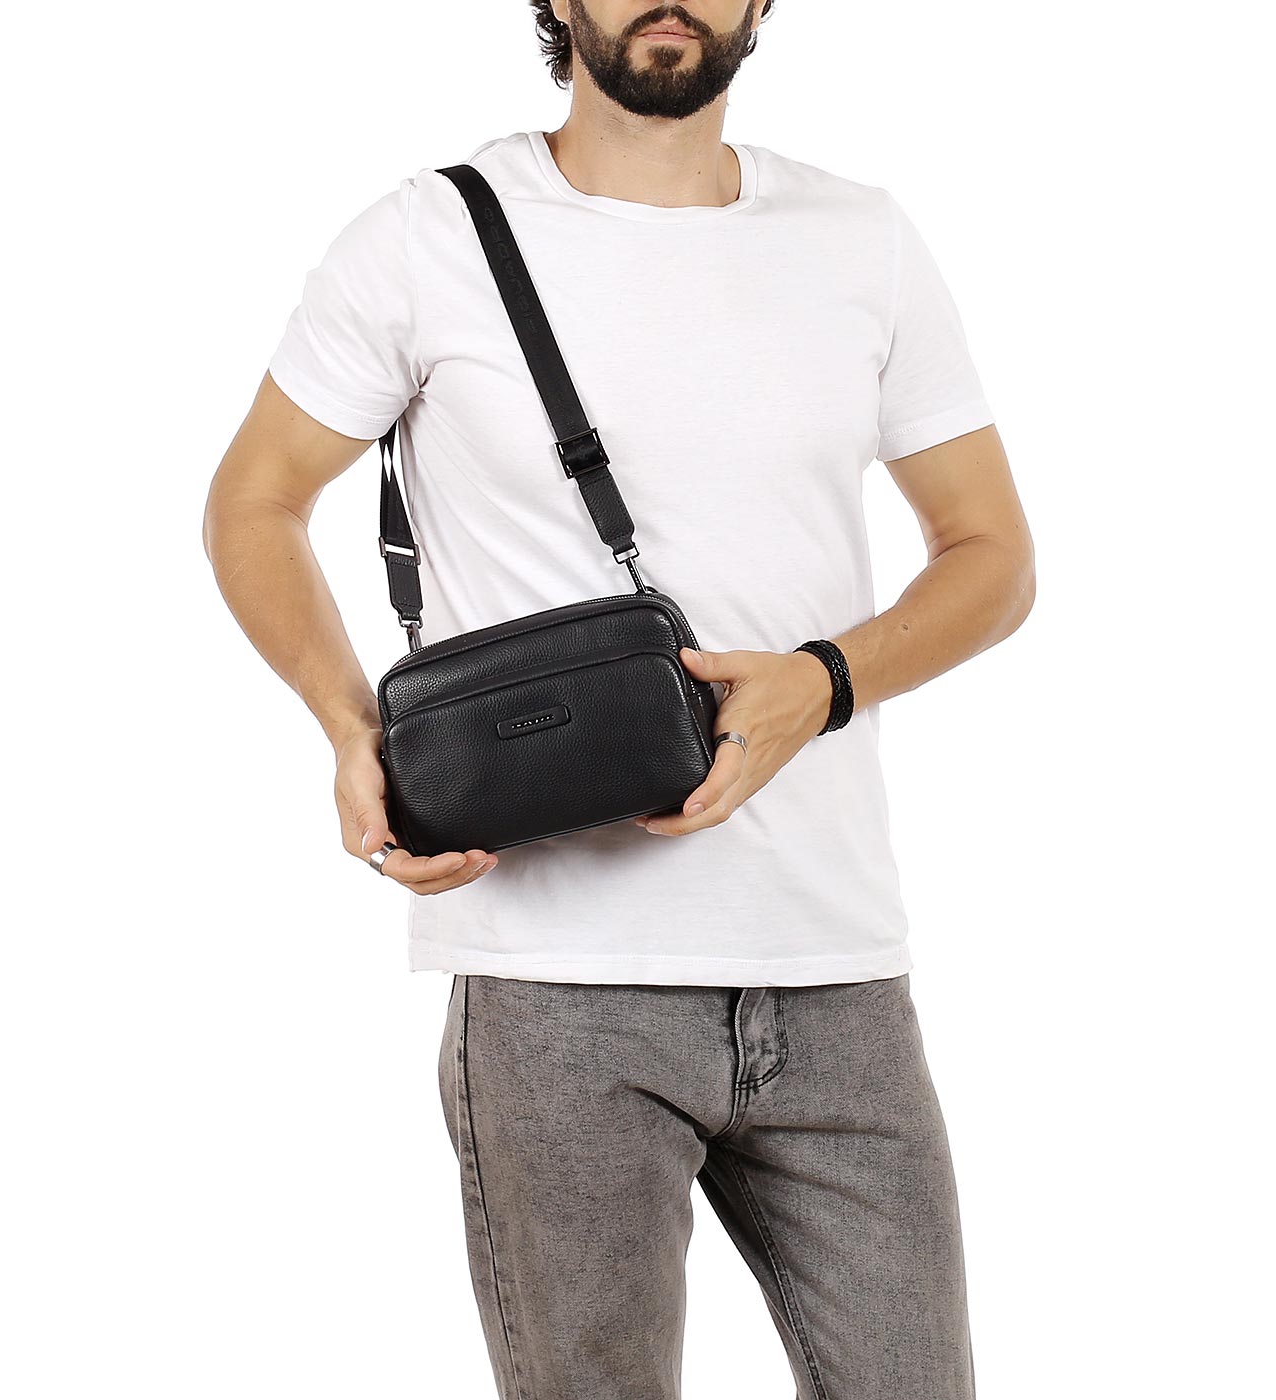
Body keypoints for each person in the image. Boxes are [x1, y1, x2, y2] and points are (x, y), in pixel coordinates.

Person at [203, 2, 1036, 1395]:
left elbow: (994, 557)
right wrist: (350, 729)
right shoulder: (425, 236)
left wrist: (824, 684)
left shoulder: (861, 238)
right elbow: (255, 500)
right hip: (555, 988)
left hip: (835, 965)